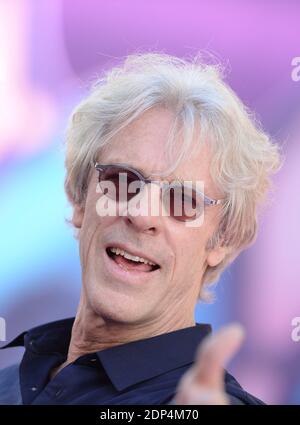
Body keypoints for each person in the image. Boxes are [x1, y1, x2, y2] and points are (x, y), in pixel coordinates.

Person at [0, 52, 281, 405]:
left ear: (223, 239)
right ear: (78, 199)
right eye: (122, 180)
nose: (142, 214)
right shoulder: (10, 382)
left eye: (182, 200)